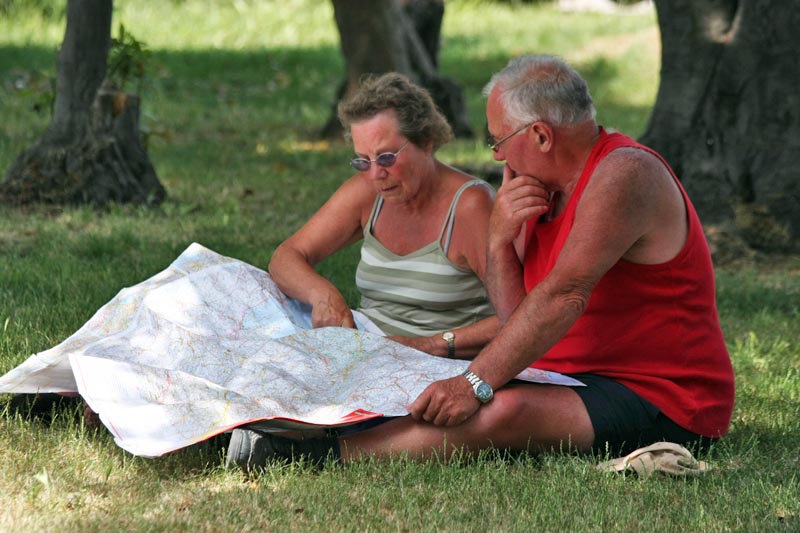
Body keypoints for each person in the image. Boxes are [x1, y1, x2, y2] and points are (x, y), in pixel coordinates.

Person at [227, 55, 735, 470]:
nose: (496, 158)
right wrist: (497, 243)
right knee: (439, 386)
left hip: (663, 395)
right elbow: (518, 318)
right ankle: (254, 426)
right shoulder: (537, 188)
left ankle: (309, 456)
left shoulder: (623, 173)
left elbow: (563, 297)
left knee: (500, 408)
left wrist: (475, 381)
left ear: (540, 136)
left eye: (498, 141)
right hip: (565, 375)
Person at [267, 72, 498, 359]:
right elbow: (286, 256)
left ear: (426, 142)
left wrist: (435, 343)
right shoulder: (369, 191)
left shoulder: (470, 206)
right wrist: (323, 295)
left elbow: (521, 317)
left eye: (387, 157)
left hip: (440, 363)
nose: (376, 174)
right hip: (372, 350)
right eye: (363, 161)